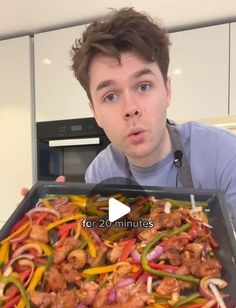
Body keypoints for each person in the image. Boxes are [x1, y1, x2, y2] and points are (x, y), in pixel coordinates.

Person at [69, 7, 236, 227]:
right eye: (110, 97)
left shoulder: (224, 154)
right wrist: (56, 217)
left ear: (167, 91)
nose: (130, 108)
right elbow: (110, 241)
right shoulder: (100, 173)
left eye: (144, 86)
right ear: (94, 113)